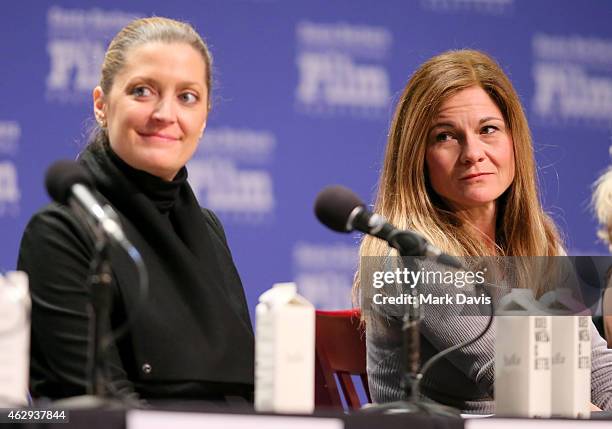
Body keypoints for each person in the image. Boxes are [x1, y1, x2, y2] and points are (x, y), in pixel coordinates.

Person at [356, 49, 612, 413]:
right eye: (446, 136)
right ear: (416, 156)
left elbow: (594, 366)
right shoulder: (408, 255)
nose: (472, 152)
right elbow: (513, 376)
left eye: (488, 129)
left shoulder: (540, 241)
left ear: (513, 140)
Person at [18, 17, 254, 402]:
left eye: (187, 97)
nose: (165, 113)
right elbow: (96, 406)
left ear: (205, 116)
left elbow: (248, 387)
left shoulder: (207, 228)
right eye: (142, 91)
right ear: (102, 105)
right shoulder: (60, 232)